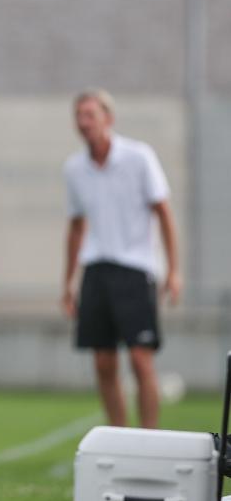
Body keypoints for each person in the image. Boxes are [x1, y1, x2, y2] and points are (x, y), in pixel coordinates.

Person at [61, 88, 182, 429]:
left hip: (135, 269)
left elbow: (164, 212)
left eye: (90, 115)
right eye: (79, 116)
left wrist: (174, 271)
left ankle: (149, 438)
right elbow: (75, 228)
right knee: (102, 361)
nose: (84, 123)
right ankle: (119, 437)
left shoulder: (139, 157)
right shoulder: (74, 169)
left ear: (108, 119)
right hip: (96, 270)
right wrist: (68, 283)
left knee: (141, 359)